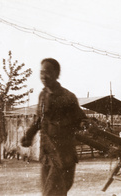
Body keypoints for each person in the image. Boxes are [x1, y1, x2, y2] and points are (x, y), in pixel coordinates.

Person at [21, 58, 87, 196]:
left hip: (63, 156)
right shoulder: (42, 95)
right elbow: (40, 119)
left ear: (57, 73)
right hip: (46, 155)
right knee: (51, 192)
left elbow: (81, 120)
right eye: (41, 73)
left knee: (51, 193)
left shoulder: (67, 97)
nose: (44, 76)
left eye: (48, 72)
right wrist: (29, 135)